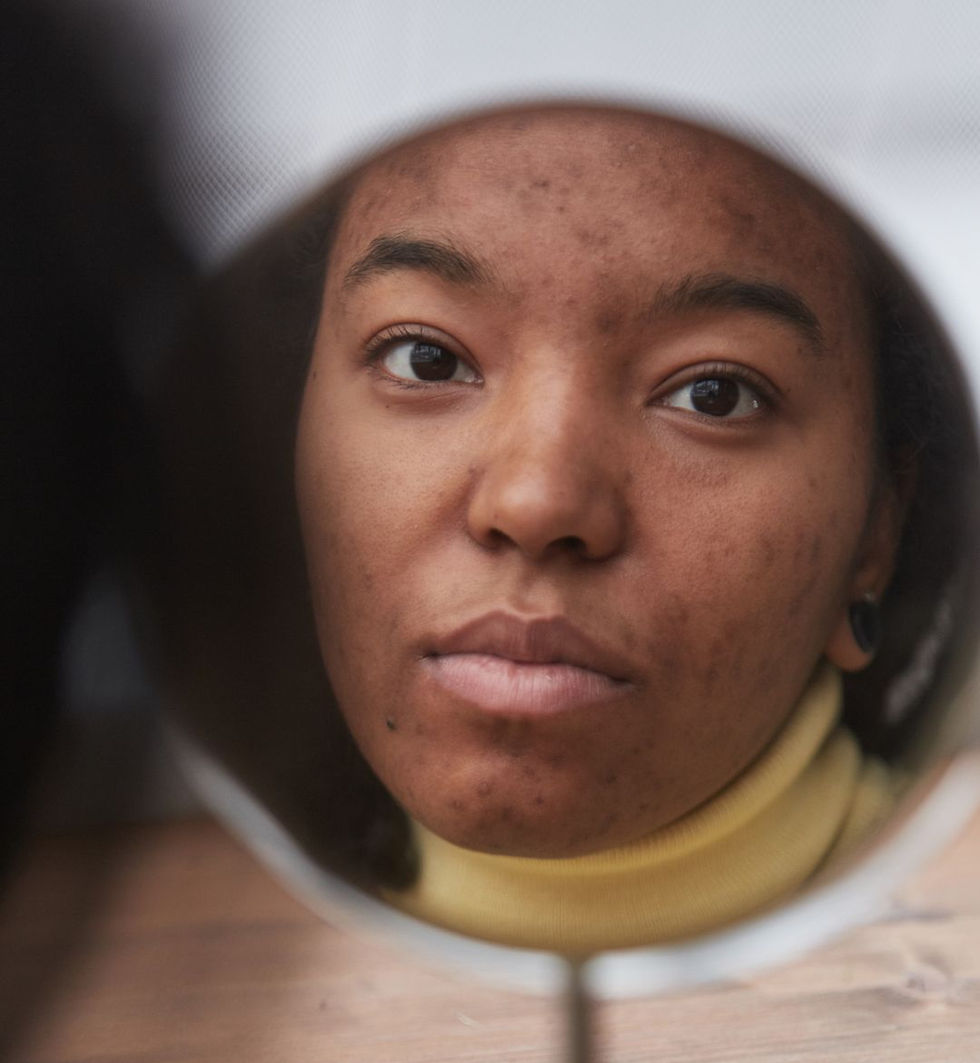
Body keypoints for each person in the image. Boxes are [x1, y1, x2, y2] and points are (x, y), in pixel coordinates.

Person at [146, 102, 978, 953]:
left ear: (877, 530)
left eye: (713, 394)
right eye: (425, 357)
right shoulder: (143, 951)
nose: (537, 504)